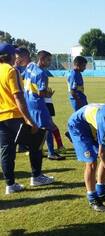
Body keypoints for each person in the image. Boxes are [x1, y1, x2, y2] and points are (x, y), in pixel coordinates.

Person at [0, 43, 41, 194]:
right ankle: (36, 176)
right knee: (36, 140)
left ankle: (10, 185)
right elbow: (18, 96)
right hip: (14, 115)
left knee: (6, 151)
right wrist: (29, 119)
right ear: (10, 55)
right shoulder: (12, 70)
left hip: (1, 117)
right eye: (15, 54)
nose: (16, 57)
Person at [23, 50, 56, 186]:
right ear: (42, 59)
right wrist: (48, 93)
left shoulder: (30, 66)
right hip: (39, 108)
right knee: (39, 141)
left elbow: (23, 78)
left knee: (35, 140)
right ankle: (36, 176)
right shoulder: (42, 74)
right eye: (48, 60)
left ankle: (37, 174)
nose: (49, 63)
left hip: (29, 106)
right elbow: (42, 93)